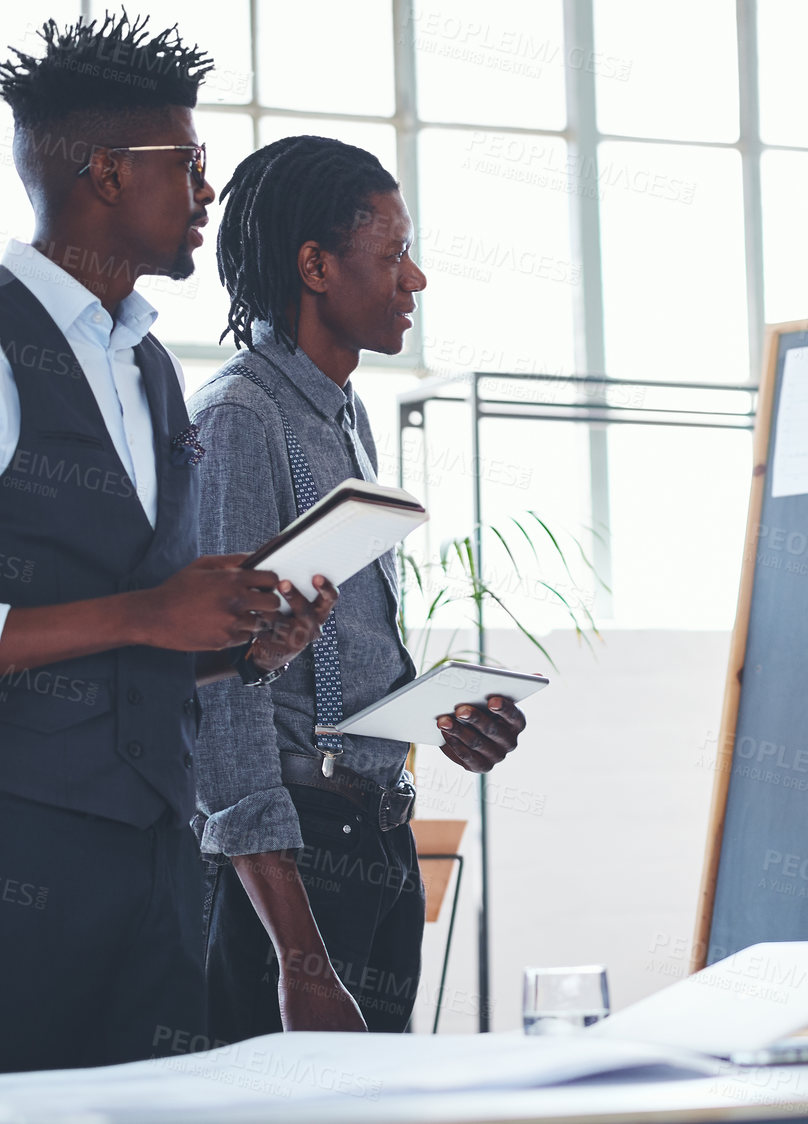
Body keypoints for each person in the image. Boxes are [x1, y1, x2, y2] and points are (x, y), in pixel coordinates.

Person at [0, 14, 336, 1070]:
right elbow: (125, 611)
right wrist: (151, 612)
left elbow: (132, 629)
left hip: (156, 852)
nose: (207, 191)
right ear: (103, 171)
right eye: (189, 163)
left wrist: (239, 644)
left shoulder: (150, 367)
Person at [191, 136, 528, 1036]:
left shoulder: (344, 415)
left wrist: (441, 717)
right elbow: (223, 694)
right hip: (295, 864)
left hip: (376, 837)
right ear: (314, 266)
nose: (413, 279)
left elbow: (321, 665)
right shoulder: (237, 420)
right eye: (392, 255)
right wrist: (300, 959)